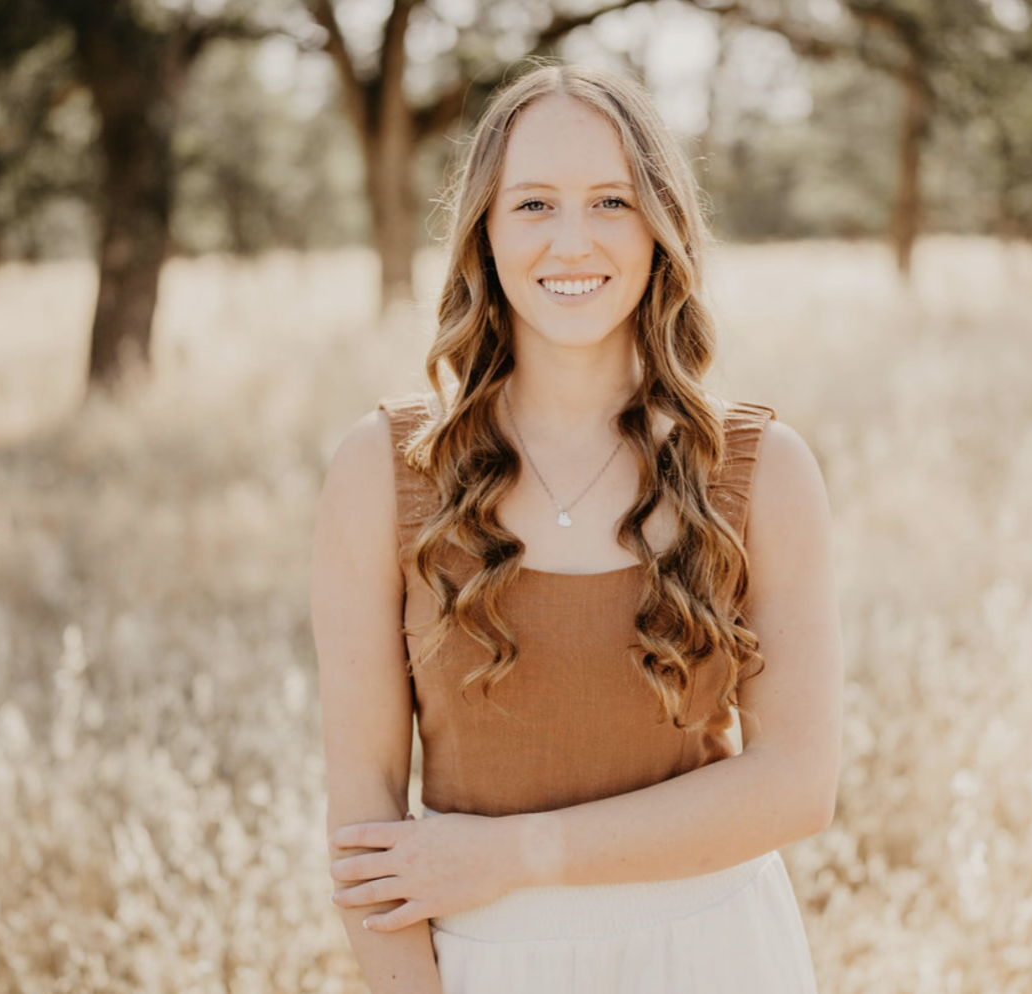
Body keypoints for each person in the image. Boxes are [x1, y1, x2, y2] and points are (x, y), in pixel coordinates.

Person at [310, 62, 843, 994]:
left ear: (660, 227)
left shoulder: (761, 472)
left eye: (610, 200)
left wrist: (517, 854)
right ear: (481, 229)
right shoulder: (382, 471)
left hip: (715, 956)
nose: (572, 241)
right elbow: (363, 827)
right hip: (484, 969)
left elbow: (796, 785)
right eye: (531, 206)